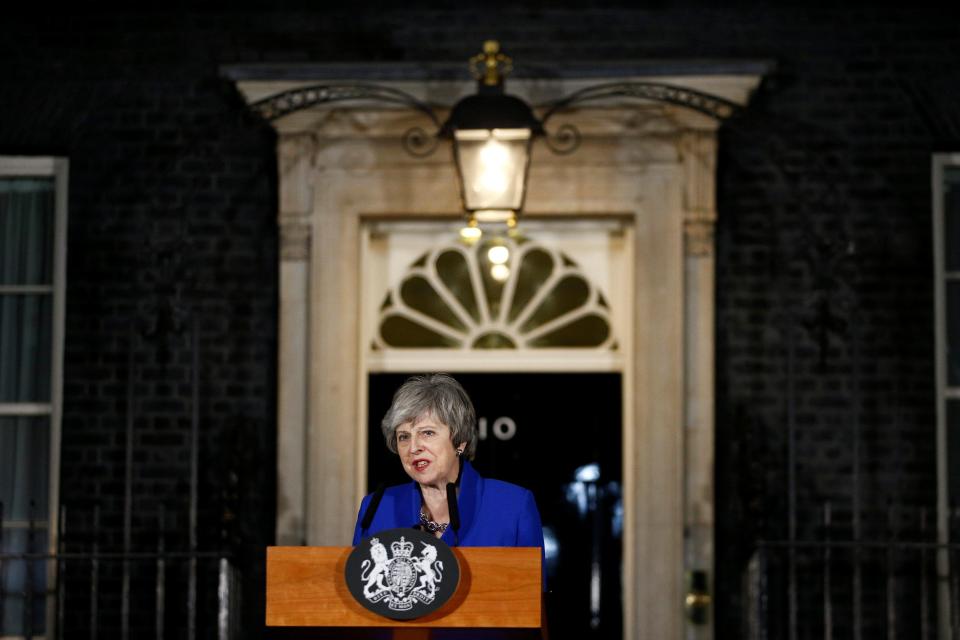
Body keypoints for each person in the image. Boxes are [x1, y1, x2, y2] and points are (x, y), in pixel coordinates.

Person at [353, 373, 545, 553]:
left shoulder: (513, 506)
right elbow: (356, 583)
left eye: (427, 433)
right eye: (404, 436)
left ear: (460, 442)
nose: (413, 447)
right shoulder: (376, 508)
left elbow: (532, 587)